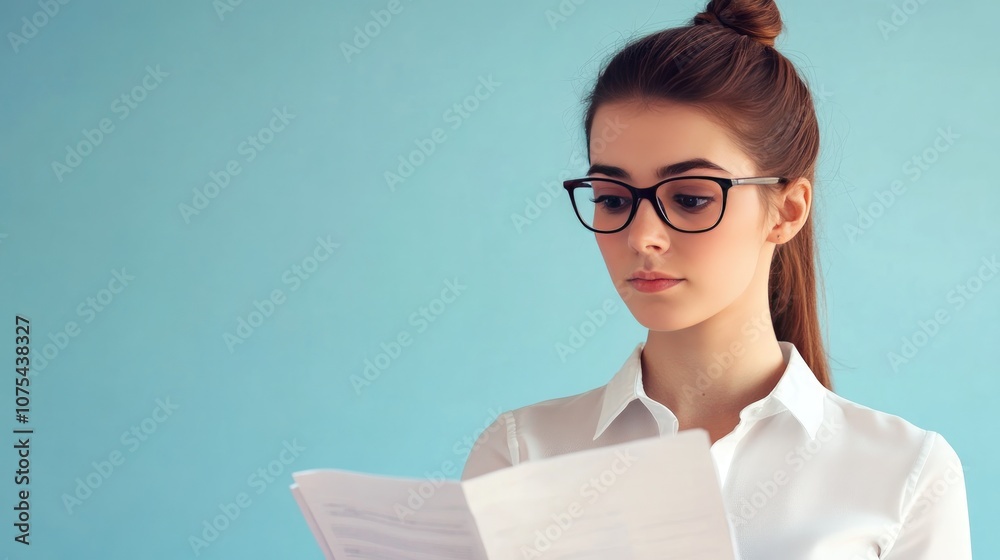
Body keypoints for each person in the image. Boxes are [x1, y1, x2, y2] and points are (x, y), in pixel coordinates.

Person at [460, 0, 972, 558]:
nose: (642, 237)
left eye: (691, 198)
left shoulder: (906, 474)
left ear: (787, 211)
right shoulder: (520, 455)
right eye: (611, 198)